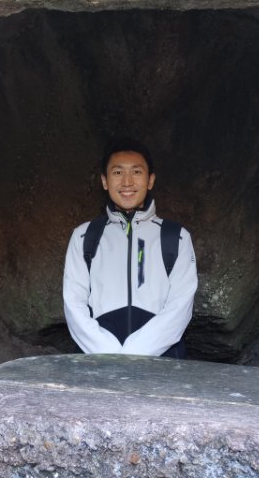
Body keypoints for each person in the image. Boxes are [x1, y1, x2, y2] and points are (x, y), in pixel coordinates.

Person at [63, 139, 198, 358]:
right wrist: (109, 355)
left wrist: (133, 355)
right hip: (98, 360)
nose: (127, 182)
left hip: (162, 361)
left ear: (150, 180)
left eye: (136, 172)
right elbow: (73, 303)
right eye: (117, 172)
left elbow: (180, 306)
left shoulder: (176, 236)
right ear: (104, 181)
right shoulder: (84, 236)